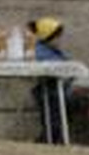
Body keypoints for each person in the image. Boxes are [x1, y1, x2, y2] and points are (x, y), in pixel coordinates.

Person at [28, 16, 73, 144]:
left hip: (58, 91)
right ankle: (49, 140)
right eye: (58, 37)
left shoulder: (53, 51)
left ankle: (51, 138)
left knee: (56, 122)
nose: (60, 40)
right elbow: (55, 66)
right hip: (49, 92)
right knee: (53, 123)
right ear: (48, 37)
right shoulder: (41, 51)